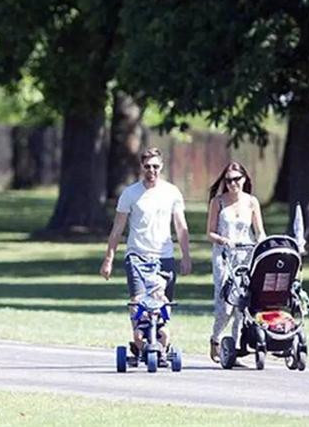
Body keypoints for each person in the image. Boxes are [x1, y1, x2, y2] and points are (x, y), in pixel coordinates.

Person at [100, 147, 192, 364]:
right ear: (141, 167)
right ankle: (140, 340)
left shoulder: (172, 193)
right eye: (148, 166)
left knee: (163, 304)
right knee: (137, 302)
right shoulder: (130, 194)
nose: (152, 170)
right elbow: (117, 229)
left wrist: (186, 256)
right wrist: (109, 259)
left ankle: (162, 342)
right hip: (137, 256)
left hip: (164, 258)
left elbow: (181, 227)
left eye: (156, 166)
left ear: (161, 167)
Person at [206, 161, 266, 362]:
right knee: (226, 304)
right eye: (229, 180)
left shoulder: (251, 202)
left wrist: (264, 246)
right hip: (225, 256)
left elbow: (259, 232)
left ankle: (236, 348)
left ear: (244, 179)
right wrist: (223, 240)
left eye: (237, 179)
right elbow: (210, 232)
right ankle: (216, 339)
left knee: (244, 304)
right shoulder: (218, 202)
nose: (233, 184)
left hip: (246, 255)